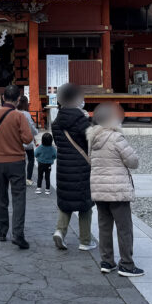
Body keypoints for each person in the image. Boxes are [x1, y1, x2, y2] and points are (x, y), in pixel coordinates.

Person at [89, 102, 144, 277]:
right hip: (117, 189)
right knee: (124, 228)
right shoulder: (116, 138)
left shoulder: (93, 140)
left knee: (104, 227)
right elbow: (133, 161)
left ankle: (107, 261)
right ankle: (126, 264)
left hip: (99, 188)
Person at [0, 84, 34, 249]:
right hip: (17, 161)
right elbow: (27, 138)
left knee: (1, 196)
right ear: (18, 99)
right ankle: (18, 234)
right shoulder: (19, 116)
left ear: (3, 98)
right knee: (19, 198)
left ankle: (2, 231)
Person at [51, 82, 97, 251]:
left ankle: (60, 231)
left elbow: (59, 143)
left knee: (66, 202)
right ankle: (85, 240)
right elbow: (92, 141)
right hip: (81, 167)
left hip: (63, 166)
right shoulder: (80, 120)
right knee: (85, 204)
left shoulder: (56, 122)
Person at [17, 95, 40, 185]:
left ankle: (19, 177)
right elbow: (31, 127)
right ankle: (28, 178)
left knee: (19, 160)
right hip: (27, 140)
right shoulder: (26, 114)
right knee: (30, 159)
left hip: (17, 140)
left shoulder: (14, 112)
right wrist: (36, 132)